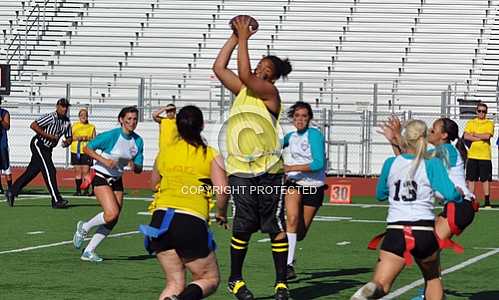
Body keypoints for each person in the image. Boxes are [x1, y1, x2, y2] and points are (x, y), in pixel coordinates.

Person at [213, 15, 292, 300]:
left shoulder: (269, 93)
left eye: (266, 68)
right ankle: (235, 279)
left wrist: (245, 36)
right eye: (260, 64)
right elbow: (219, 67)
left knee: (276, 227)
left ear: (273, 76)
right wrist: (235, 37)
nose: (261, 69)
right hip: (241, 170)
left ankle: (281, 282)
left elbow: (244, 74)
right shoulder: (244, 91)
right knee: (243, 226)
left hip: (269, 169)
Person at [351, 120, 463, 300]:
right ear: (425, 138)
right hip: (423, 231)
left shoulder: (391, 163)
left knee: (381, 284)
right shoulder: (431, 163)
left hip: (395, 231)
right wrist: (458, 194)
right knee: (433, 278)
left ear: (405, 137)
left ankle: (368, 291)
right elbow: (450, 194)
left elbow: (380, 194)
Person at [380, 117, 478, 300]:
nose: (429, 133)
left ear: (444, 135)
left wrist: (400, 137)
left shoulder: (445, 150)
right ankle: (431, 293)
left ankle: (428, 294)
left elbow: (415, 156)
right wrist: (395, 141)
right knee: (428, 250)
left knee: (428, 249)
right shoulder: (441, 151)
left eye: (433, 130)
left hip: (459, 205)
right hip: (458, 205)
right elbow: (408, 161)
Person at [140, 105, 229, 300]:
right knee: (209, 278)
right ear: (202, 125)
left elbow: (154, 182)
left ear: (178, 127)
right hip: (189, 220)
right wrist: (221, 213)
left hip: (160, 219)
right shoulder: (210, 154)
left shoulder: (166, 151)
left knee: (174, 282)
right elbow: (222, 189)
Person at [72, 106, 143, 262]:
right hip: (100, 176)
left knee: (113, 219)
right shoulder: (112, 136)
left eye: (135, 119)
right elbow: (87, 148)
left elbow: (139, 168)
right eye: (129, 119)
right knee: (111, 213)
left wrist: (134, 165)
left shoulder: (138, 141)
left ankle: (88, 251)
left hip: (117, 179)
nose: (132, 122)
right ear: (121, 120)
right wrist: (104, 160)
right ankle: (85, 227)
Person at [282, 101, 326, 280]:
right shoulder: (290, 137)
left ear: (309, 119)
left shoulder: (314, 135)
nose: (300, 119)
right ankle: (287, 264)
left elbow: (318, 164)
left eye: (304, 116)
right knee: (291, 219)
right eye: (297, 116)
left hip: (314, 186)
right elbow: (273, 149)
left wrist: (292, 166)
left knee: (300, 233)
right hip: (294, 184)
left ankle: (290, 249)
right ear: (292, 118)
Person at [6, 98, 72, 208]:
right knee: (50, 170)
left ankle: (12, 191)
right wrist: (49, 136)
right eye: (62, 106)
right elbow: (33, 125)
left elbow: (69, 137)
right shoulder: (51, 117)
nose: (64, 109)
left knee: (31, 173)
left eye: (66, 107)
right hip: (39, 144)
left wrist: (67, 143)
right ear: (57, 106)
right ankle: (56, 200)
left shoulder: (67, 122)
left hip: (48, 149)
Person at [463, 102, 494, 208]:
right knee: (471, 179)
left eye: (484, 111)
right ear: (476, 111)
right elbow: (466, 136)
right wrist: (480, 138)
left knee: (485, 179)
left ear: (486, 112)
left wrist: (475, 134)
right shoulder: (471, 122)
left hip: (485, 156)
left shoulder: (489, 123)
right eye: (479, 111)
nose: (481, 113)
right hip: (472, 155)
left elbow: (487, 136)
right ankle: (471, 199)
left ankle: (487, 201)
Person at [70, 108, 96, 196]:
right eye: (81, 115)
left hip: (86, 151)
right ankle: (78, 190)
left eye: (85, 115)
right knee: (77, 171)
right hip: (75, 150)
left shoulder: (91, 127)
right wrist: (78, 138)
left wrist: (87, 138)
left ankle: (86, 189)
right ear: (79, 116)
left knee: (86, 171)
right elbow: (70, 138)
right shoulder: (74, 125)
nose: (83, 117)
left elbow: (94, 140)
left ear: (87, 116)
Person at [0, 98, 12, 194]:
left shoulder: (4, 113)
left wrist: (0, 120)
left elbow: (7, 126)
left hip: (2, 143)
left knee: (6, 165)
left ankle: (10, 187)